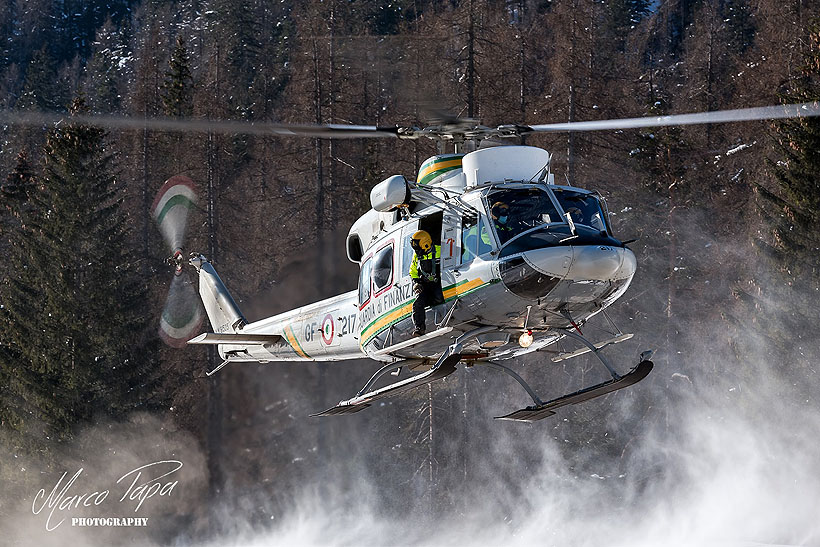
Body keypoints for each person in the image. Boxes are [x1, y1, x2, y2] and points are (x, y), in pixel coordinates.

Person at [409, 230, 443, 336]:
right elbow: (412, 271)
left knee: (439, 296)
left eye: (418, 247)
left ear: (425, 244)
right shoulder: (416, 256)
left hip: (439, 283)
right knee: (417, 303)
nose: (417, 250)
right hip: (425, 285)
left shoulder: (441, 250)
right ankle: (419, 328)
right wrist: (416, 283)